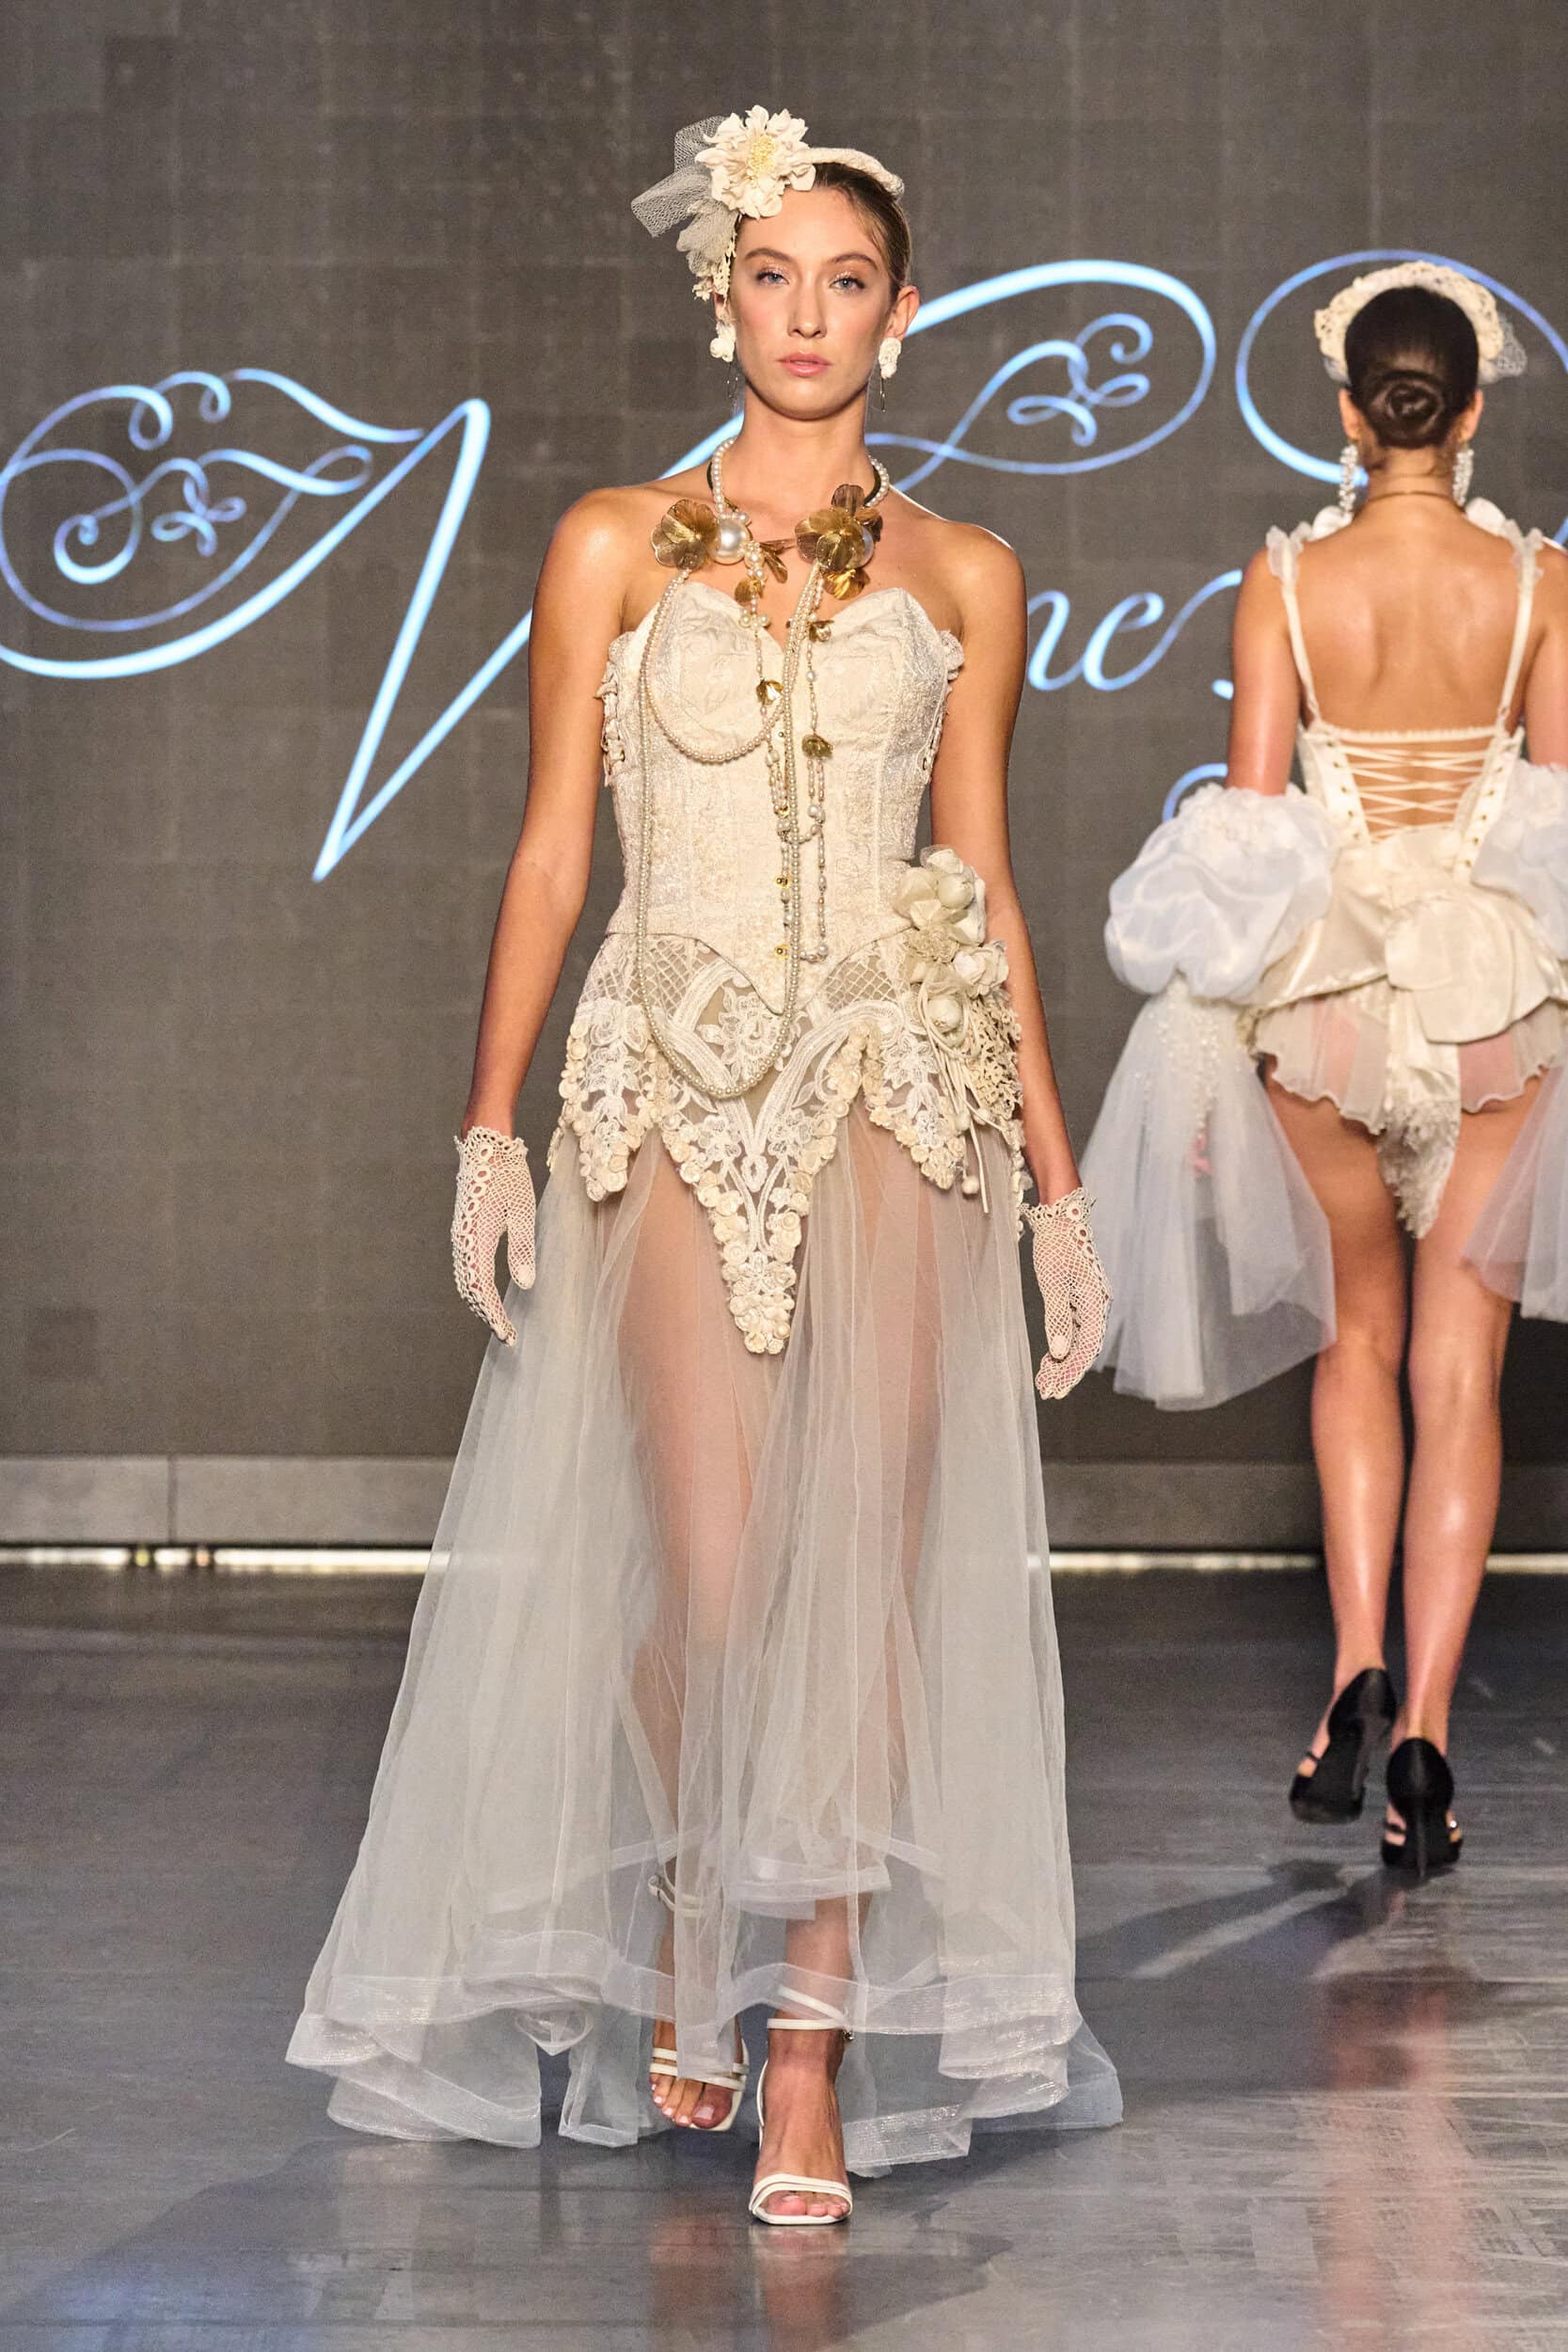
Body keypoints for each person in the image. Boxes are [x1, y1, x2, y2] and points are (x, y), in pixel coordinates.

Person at [289, 106, 1118, 2226]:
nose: (807, 314)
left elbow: (985, 885)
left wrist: (1056, 1184)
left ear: (904, 315)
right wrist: (490, 1126)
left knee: (857, 1588)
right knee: (723, 1577)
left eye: (848, 281)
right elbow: (552, 855)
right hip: (671, 1081)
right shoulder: (611, 544)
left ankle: (809, 2047)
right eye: (773, 276)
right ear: (719, 294)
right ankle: (690, 1889)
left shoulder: (967, 572)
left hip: (904, 1095)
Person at [1084, 264, 1568, 1880]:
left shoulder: (1288, 579)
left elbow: (1250, 835)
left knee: (1355, 1346)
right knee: (1458, 1377)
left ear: (1352, 411)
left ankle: (1354, 1665)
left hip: (1332, 1004)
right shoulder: (1540, 581)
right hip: (1492, 1003)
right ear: (1471, 408)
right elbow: (1555, 826)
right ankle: (1427, 1730)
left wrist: (1205, 1063)